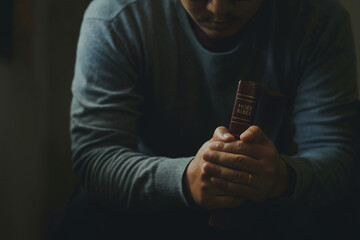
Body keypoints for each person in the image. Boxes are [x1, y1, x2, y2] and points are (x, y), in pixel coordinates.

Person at [57, 0, 359, 239]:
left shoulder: (319, 21)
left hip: (265, 204)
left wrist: (281, 177)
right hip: (144, 201)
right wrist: (184, 178)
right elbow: (95, 160)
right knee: (88, 209)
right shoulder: (115, 17)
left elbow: (336, 158)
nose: (219, 8)